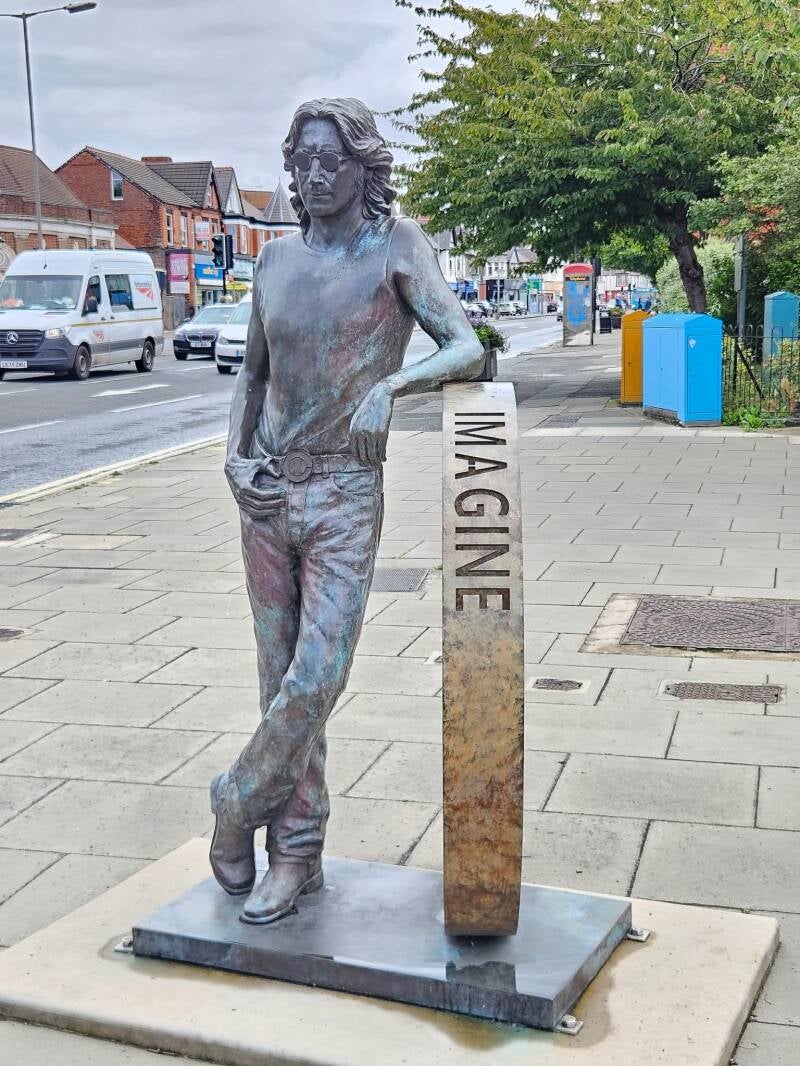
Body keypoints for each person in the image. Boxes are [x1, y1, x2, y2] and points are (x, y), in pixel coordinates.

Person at [209, 97, 483, 925]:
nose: (315, 174)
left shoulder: (396, 246)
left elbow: (467, 346)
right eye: (303, 160)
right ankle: (296, 853)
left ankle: (233, 803)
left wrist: (392, 386)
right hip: (266, 492)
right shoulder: (274, 259)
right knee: (278, 681)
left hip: (344, 493)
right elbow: (252, 376)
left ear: (364, 166)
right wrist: (234, 458)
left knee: (317, 676)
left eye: (331, 159)